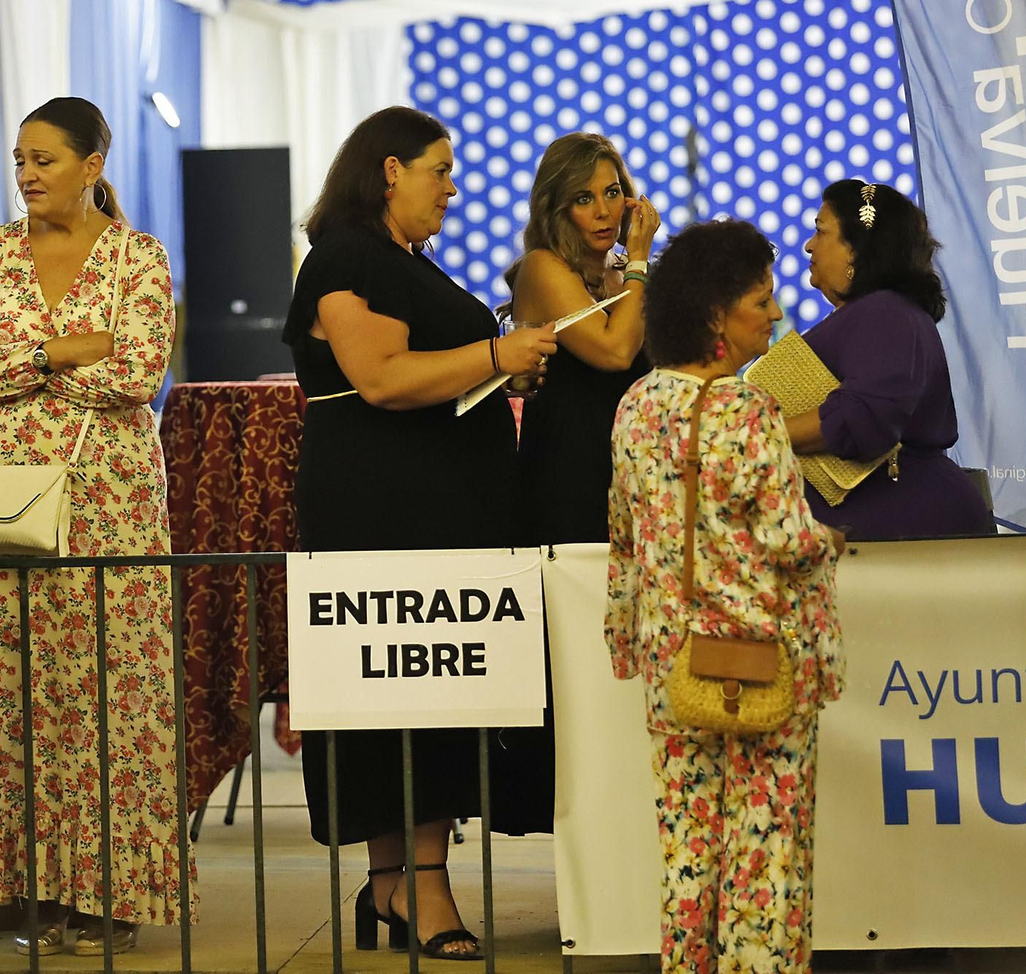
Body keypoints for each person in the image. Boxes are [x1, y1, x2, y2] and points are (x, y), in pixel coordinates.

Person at [281, 105, 558, 961]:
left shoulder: (404, 261)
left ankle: (399, 883)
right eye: (440, 169)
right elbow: (380, 376)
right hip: (384, 514)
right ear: (390, 169)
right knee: (393, 691)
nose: (452, 188)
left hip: (436, 511)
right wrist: (498, 356)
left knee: (432, 690)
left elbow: (431, 374)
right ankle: (413, 884)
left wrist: (498, 375)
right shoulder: (345, 257)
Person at [0, 96, 187, 957]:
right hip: (4, 503)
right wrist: (58, 352)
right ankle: (29, 886)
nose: (27, 174)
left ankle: (111, 890)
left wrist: (27, 372)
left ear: (92, 166)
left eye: (43, 159)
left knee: (115, 695)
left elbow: (138, 374)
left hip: (112, 502)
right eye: (19, 159)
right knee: (14, 696)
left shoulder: (138, 257)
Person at [606, 220, 845, 973]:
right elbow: (787, 541)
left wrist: (626, 641)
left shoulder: (636, 406)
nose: (775, 314)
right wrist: (828, 539)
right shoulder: (751, 411)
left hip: (673, 662)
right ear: (717, 314)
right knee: (767, 853)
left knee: (686, 846)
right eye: (761, 299)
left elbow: (623, 539)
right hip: (762, 659)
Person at [787, 180, 993, 538]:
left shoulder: (886, 313)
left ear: (855, 249)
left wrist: (753, 432)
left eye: (821, 231)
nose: (809, 244)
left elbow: (863, 417)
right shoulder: (883, 313)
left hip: (904, 533)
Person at [505, 132, 659, 545]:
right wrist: (640, 261)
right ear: (557, 207)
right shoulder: (543, 266)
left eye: (612, 192)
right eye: (584, 198)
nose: (603, 212)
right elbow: (615, 351)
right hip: (568, 475)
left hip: (636, 472)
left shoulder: (627, 273)